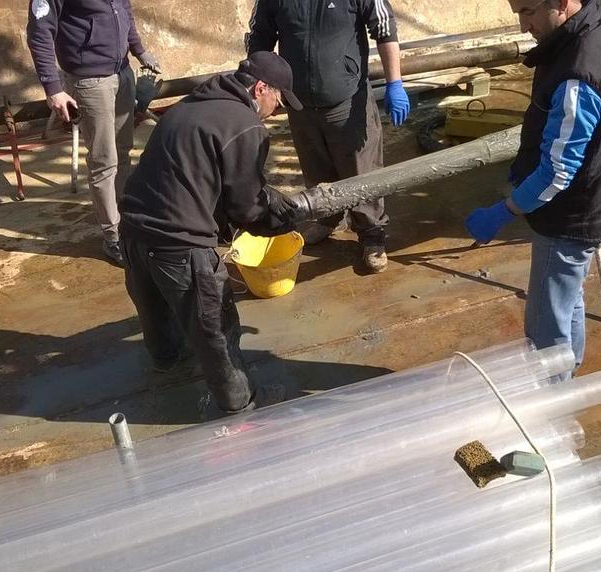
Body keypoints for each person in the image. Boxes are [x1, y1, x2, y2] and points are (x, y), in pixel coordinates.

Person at [119, 52, 303, 414]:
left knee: (155, 307)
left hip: (134, 230)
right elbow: (245, 207)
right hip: (179, 242)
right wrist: (277, 222)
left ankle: (167, 360)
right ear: (261, 88)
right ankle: (241, 403)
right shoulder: (246, 126)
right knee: (215, 328)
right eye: (278, 100)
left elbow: (199, 175)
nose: (277, 110)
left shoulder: (190, 105)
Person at [464, 0, 601, 374]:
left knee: (545, 321)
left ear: (561, 2)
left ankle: (551, 396)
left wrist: (504, 210)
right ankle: (569, 368)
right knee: (566, 297)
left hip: (569, 219)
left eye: (527, 11)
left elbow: (557, 174)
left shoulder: (578, 72)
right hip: (600, 200)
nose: (523, 26)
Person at [246, 0, 411, 274]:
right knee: (315, 168)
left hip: (347, 102)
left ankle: (371, 232)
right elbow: (259, 40)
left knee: (361, 172)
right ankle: (328, 218)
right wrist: (262, 89)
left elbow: (384, 29)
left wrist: (395, 83)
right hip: (299, 104)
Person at [26, 0, 161, 266]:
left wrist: (139, 51)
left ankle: (125, 214)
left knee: (123, 150)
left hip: (122, 73)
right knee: (104, 161)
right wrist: (53, 88)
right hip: (90, 81)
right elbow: (39, 33)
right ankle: (113, 237)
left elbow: (124, 11)